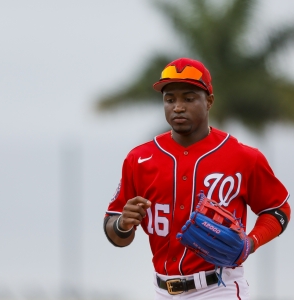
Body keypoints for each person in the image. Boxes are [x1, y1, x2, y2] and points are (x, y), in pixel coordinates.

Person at [103, 58, 291, 299]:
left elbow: (278, 209)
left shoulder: (243, 157)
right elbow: (114, 230)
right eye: (170, 99)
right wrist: (122, 224)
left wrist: (251, 243)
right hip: (161, 290)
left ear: (209, 101)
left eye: (189, 98)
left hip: (218, 288)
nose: (178, 106)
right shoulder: (139, 159)